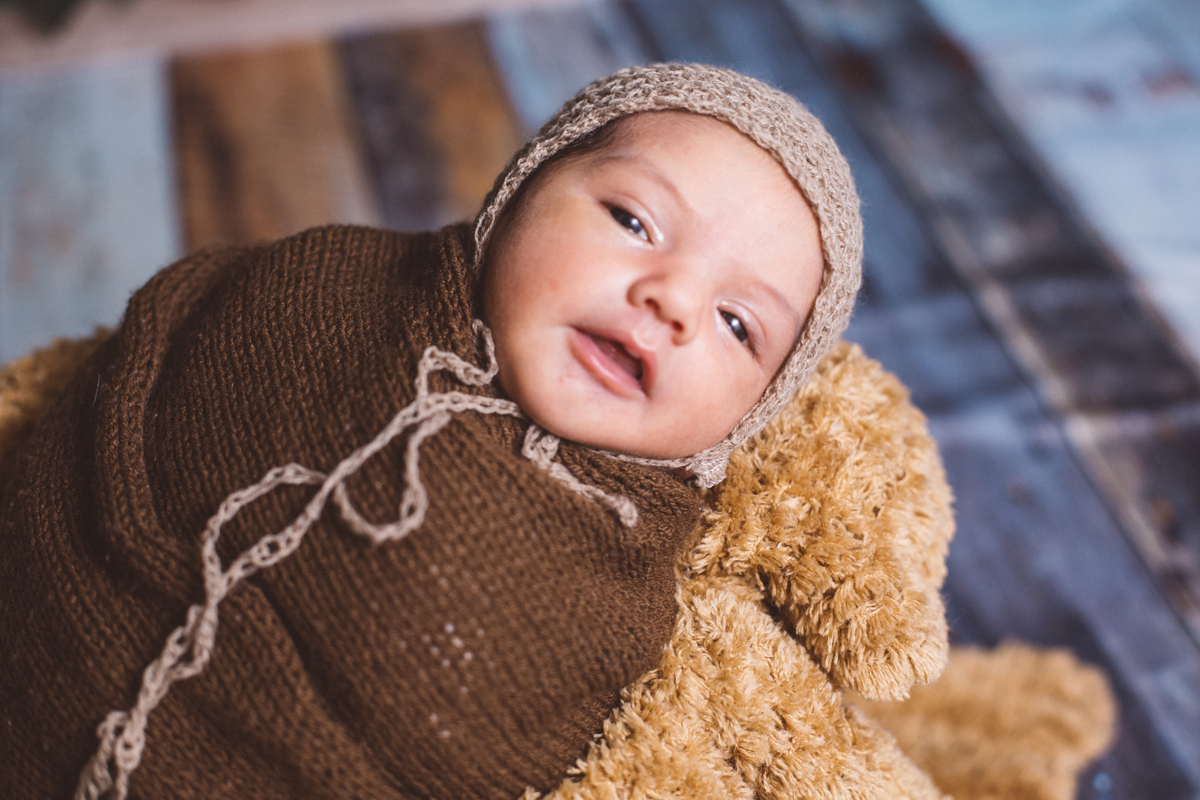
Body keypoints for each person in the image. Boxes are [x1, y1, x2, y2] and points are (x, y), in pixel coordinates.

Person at [0, 63, 861, 800]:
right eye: (634, 222)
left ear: (750, 416)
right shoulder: (321, 292)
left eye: (738, 324)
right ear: (520, 190)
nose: (670, 299)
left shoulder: (630, 594)